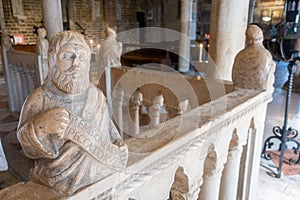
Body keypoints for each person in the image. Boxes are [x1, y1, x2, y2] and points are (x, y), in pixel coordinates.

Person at [17, 31, 128, 196]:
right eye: (67, 56)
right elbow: (24, 140)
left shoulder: (96, 94)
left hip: (102, 169)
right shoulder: (40, 98)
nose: (76, 64)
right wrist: (41, 126)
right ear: (53, 60)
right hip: (59, 178)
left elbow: (107, 124)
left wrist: (116, 139)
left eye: (82, 57)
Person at [232, 24, 275, 90]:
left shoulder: (239, 55)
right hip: (259, 91)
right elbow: (267, 79)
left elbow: (234, 76)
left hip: (239, 89)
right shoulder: (266, 55)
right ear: (261, 37)